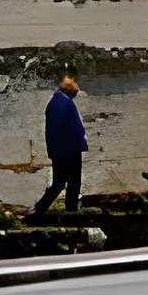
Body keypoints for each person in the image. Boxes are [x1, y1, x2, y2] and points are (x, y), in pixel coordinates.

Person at [36, 75, 87, 215]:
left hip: (60, 150)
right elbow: (73, 127)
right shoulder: (65, 103)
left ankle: (41, 208)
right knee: (73, 182)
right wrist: (81, 142)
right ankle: (70, 210)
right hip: (69, 150)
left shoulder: (55, 102)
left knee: (59, 183)